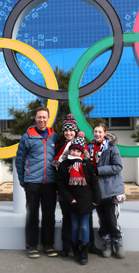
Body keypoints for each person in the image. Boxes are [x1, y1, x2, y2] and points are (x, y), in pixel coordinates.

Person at [52, 114, 102, 257]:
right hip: (66, 189)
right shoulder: (60, 144)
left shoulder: (81, 145)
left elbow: (89, 167)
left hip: (84, 192)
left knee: (87, 221)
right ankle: (67, 246)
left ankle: (89, 245)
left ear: (75, 131)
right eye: (66, 130)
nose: (68, 133)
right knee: (67, 218)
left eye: (71, 130)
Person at [15, 106, 60, 259]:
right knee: (32, 214)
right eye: (39, 117)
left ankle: (48, 244)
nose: (42, 120)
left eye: (44, 117)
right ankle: (32, 245)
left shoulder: (54, 136)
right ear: (35, 118)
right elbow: (20, 160)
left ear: (48, 118)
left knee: (49, 214)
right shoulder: (27, 136)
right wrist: (23, 181)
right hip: (32, 182)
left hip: (50, 182)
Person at [87, 123, 126, 259]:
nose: (97, 134)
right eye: (95, 132)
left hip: (111, 189)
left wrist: (98, 170)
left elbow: (117, 166)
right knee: (102, 218)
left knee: (113, 218)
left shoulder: (112, 148)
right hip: (96, 190)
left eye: (100, 132)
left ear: (105, 133)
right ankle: (107, 244)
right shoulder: (89, 148)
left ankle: (118, 243)